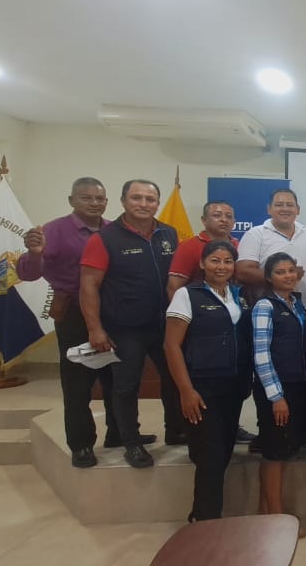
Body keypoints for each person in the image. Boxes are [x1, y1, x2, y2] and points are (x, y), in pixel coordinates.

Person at [17, 177, 148, 468]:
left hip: (113, 312)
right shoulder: (53, 231)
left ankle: (119, 433)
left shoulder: (113, 229)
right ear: (72, 200)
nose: (94, 203)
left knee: (117, 379)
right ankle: (81, 444)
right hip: (75, 313)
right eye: (86, 198)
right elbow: (28, 273)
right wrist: (34, 254)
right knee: (78, 383)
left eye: (100, 199)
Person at [79, 179, 184, 469]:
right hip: (125, 328)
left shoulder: (169, 233)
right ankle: (131, 442)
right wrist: (95, 328)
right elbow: (88, 286)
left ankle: (176, 430)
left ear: (157, 203)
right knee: (126, 386)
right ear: (123, 201)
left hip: (164, 325)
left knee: (175, 378)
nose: (144, 204)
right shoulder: (104, 238)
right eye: (137, 198)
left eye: (150, 199)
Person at [162, 240, 251, 521]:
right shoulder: (187, 295)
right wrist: (186, 390)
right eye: (215, 260)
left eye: (227, 261)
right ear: (202, 263)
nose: (221, 266)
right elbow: (171, 346)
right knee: (209, 455)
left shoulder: (239, 295)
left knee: (223, 451)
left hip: (232, 387)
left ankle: (203, 514)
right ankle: (205, 521)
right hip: (202, 387)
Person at [236, 188, 306, 449]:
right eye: (279, 204)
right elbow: (242, 271)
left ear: (298, 209)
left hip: (303, 308)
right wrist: (280, 278)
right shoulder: (256, 234)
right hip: (268, 310)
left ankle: (303, 428)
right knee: (269, 365)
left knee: (302, 374)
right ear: (269, 209)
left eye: (290, 204)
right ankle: (268, 432)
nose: (285, 208)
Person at [166, 199, 256, 446]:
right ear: (204, 220)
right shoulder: (189, 249)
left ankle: (231, 429)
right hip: (201, 351)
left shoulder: (238, 249)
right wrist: (194, 324)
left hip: (231, 365)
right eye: (217, 215)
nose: (223, 219)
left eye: (229, 215)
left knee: (225, 427)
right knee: (208, 443)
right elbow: (174, 288)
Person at [251, 253, 306, 539]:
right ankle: (276, 517)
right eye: (280, 272)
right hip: (277, 390)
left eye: (291, 270)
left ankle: (265, 509)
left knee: (283, 448)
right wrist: (276, 397)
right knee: (274, 452)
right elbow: (261, 354)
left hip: (298, 385)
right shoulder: (265, 306)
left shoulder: (295, 303)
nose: (288, 276)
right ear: (268, 277)